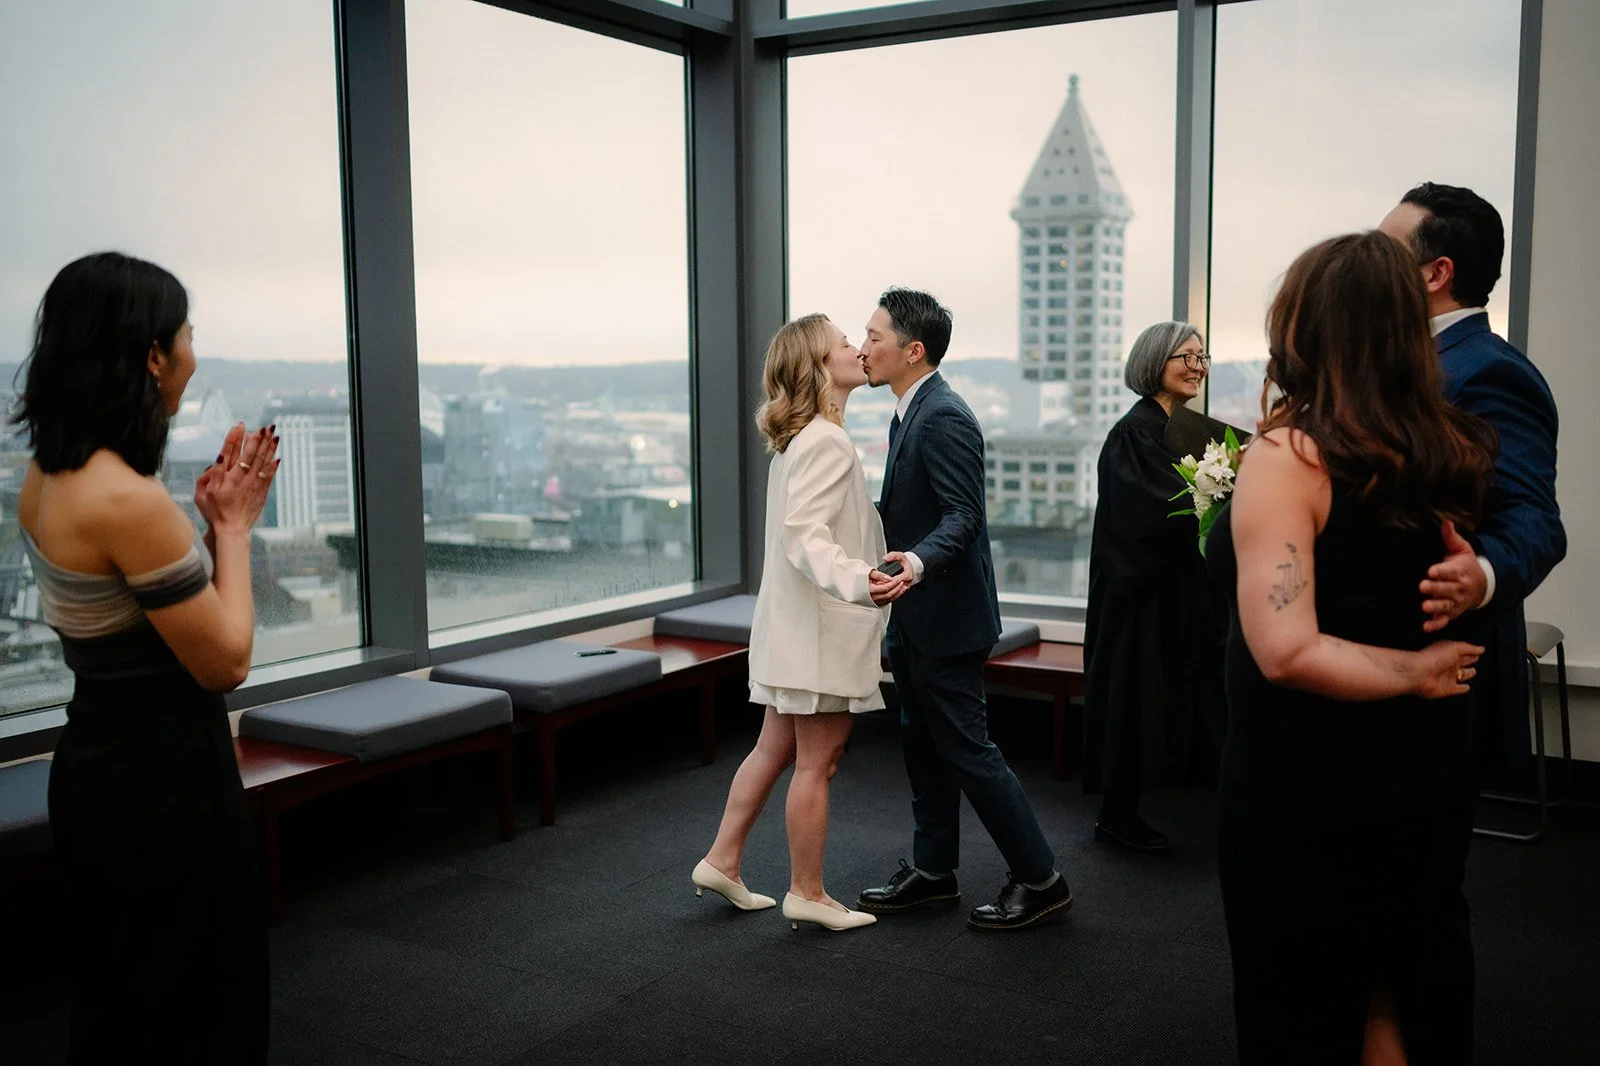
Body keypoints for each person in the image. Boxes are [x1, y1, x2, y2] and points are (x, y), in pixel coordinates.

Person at [1208, 232, 1496, 1063]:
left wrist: (1416, 672)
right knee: (1400, 990)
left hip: (1310, 779)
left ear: (1306, 327)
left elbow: (1286, 652)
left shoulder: (1294, 455)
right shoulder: (1454, 448)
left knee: (1302, 1001)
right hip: (1423, 771)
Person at [12, 252, 279, 1063]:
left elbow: (140, 621)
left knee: (121, 1003)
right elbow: (223, 661)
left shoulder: (46, 475)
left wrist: (201, 536)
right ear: (153, 354)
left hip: (97, 767)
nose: (195, 353)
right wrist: (233, 532)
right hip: (167, 788)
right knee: (203, 1011)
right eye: (187, 334)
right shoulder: (126, 499)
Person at [855, 287, 1072, 931]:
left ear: (911, 351)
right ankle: (933, 872)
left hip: (946, 618)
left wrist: (914, 564)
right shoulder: (907, 412)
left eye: (873, 337)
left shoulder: (944, 415)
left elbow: (965, 517)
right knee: (923, 748)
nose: (863, 347)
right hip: (920, 619)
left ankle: (1042, 880)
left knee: (970, 752)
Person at [693, 313, 886, 933]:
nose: (857, 348)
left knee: (773, 746)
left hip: (789, 627)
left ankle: (723, 860)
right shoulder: (828, 442)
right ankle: (808, 892)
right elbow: (806, 537)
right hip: (818, 631)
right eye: (844, 342)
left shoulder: (798, 441)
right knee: (816, 763)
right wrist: (864, 581)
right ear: (818, 366)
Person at [1378, 183, 1564, 786]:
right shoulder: (1397, 361)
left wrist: (1479, 575)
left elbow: (1533, 519)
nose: (1368, 265)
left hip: (1435, 660)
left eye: (1385, 250)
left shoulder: (1489, 372)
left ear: (1437, 273)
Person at [1082, 322, 1226, 852]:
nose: (1196, 366)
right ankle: (1117, 817)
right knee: (1133, 694)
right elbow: (1152, 510)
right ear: (1152, 364)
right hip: (1137, 590)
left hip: (1177, 588)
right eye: (1183, 357)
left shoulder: (1187, 429)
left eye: (1201, 357)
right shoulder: (1134, 432)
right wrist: (1217, 497)